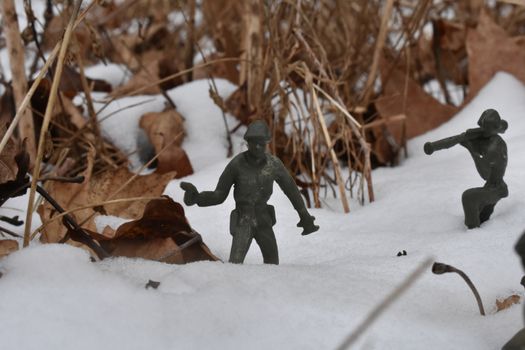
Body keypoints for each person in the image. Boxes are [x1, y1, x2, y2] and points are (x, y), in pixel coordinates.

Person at [180, 120, 319, 264]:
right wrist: (197, 198)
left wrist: (304, 215)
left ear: (267, 143)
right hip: (243, 220)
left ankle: (271, 286)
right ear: (247, 143)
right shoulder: (237, 164)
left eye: (262, 143)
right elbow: (219, 195)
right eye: (254, 143)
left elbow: (292, 191)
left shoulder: (274, 165)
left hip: (263, 219)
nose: (258, 147)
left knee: (272, 264)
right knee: (235, 264)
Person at [424, 109, 508, 228]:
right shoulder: (491, 133)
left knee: (469, 197)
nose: (482, 131)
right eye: (482, 127)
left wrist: (471, 149)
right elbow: (503, 126)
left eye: (486, 128)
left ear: (493, 128)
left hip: (496, 188)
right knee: (482, 216)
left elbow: (485, 174)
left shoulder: (495, 147)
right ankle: (480, 226)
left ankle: (472, 235)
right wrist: (434, 146)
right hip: (491, 185)